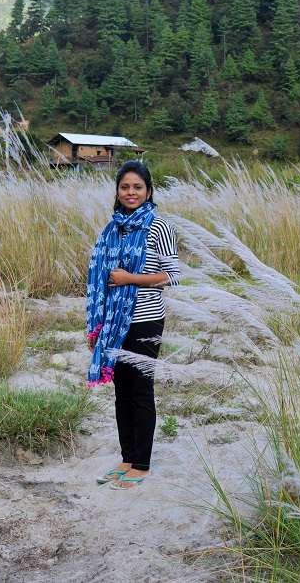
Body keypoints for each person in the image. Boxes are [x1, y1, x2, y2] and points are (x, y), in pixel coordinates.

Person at [86, 160, 180, 490]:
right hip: (113, 323)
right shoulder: (112, 229)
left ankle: (141, 463)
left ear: (148, 191)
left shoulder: (158, 227)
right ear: (117, 191)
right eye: (125, 187)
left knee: (140, 391)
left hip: (145, 321)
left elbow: (174, 276)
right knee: (121, 392)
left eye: (137, 187)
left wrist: (130, 279)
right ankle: (127, 458)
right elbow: (99, 280)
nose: (131, 192)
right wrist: (95, 328)